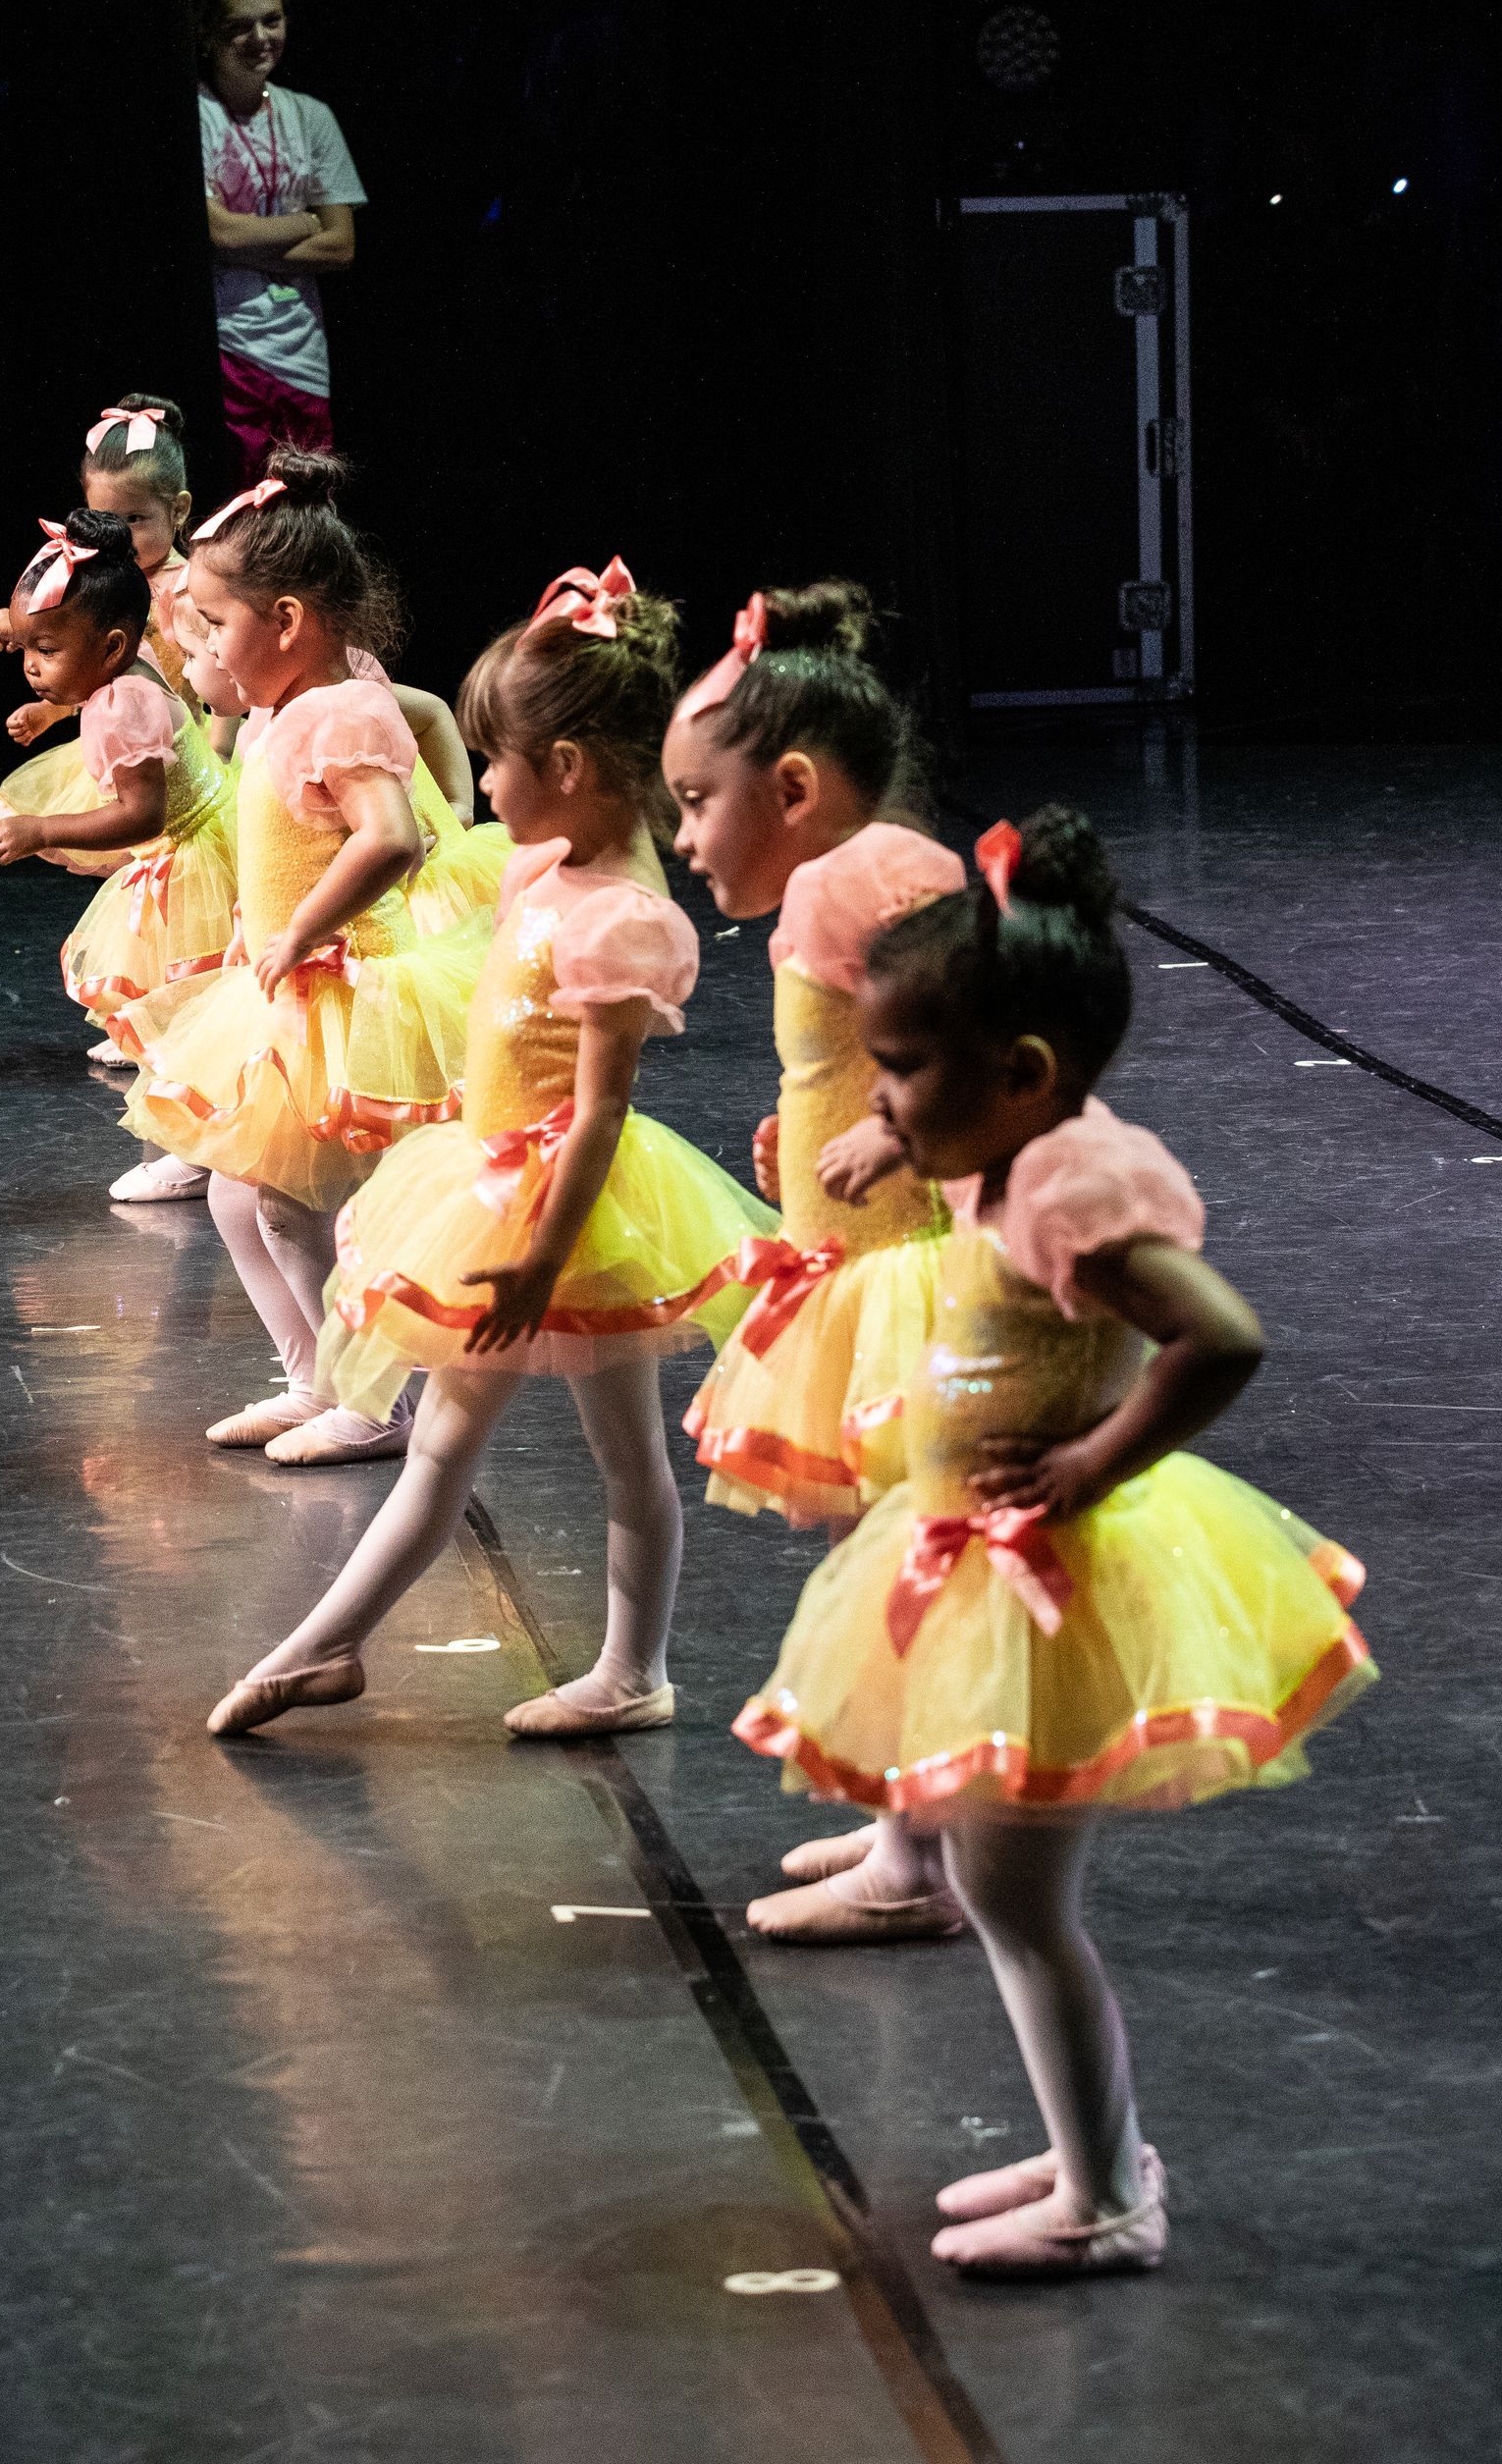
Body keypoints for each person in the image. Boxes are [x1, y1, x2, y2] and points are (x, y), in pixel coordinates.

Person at [735, 810, 1376, 2277]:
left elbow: (1222, 1336)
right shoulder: (1008, 1148)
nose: (884, 1095)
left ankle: (1109, 2199)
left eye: (900, 1069)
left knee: (1017, 1902)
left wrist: (1090, 1460)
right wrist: (883, 1130)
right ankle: (1093, 2152)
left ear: (1021, 1075)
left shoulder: (1077, 1184)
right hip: (972, 1543)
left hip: (1051, 1579)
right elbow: (958, 1184)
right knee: (1002, 1896)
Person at [201, 557, 778, 1741]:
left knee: (624, 1461)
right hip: (498, 1184)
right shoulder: (537, 865)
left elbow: (604, 1113)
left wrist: (541, 1253)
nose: (476, 784)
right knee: (449, 1450)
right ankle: (329, 1647)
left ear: (563, 771)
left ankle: (630, 1670)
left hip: (574, 1215)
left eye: (495, 761)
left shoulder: (621, 917)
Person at [663, 581, 970, 1947]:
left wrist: (897, 1121)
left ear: (791, 787)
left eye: (693, 802)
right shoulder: (836, 886)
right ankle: (909, 1819)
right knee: (872, 1554)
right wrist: (825, 1108)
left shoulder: (868, 875)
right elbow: (872, 1035)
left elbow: (991, 1015)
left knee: (900, 1557)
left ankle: (921, 1859)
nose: (679, 839)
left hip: (911, 1276)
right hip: (849, 1270)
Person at [105, 455, 490, 1467]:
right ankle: (316, 1376)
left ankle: (374, 1398)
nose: (201, 650)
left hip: (354, 988)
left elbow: (390, 839)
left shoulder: (339, 712)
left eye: (214, 626)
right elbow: (285, 843)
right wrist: (256, 928)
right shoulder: (284, 713)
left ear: (285, 621)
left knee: (294, 1203)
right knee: (238, 1190)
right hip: (294, 983)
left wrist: (301, 927)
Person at [0, 513, 240, 1121]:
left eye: (46, 650)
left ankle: (188, 1140)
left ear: (112, 647)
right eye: (26, 648)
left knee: (181, 1006)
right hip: (189, 846)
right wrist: (33, 657)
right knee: (174, 1003)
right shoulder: (130, 660)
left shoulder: (123, 706)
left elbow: (142, 816)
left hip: (189, 857)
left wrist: (42, 830)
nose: (31, 666)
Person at [197, 0, 364, 478]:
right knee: (244, 514)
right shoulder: (196, 114)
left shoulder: (311, 116)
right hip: (231, 341)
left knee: (309, 504)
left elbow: (341, 247)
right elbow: (215, 232)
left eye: (272, 21)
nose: (260, 37)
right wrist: (303, 223)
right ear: (208, 35)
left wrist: (240, 240)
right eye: (240, 26)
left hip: (302, 349)